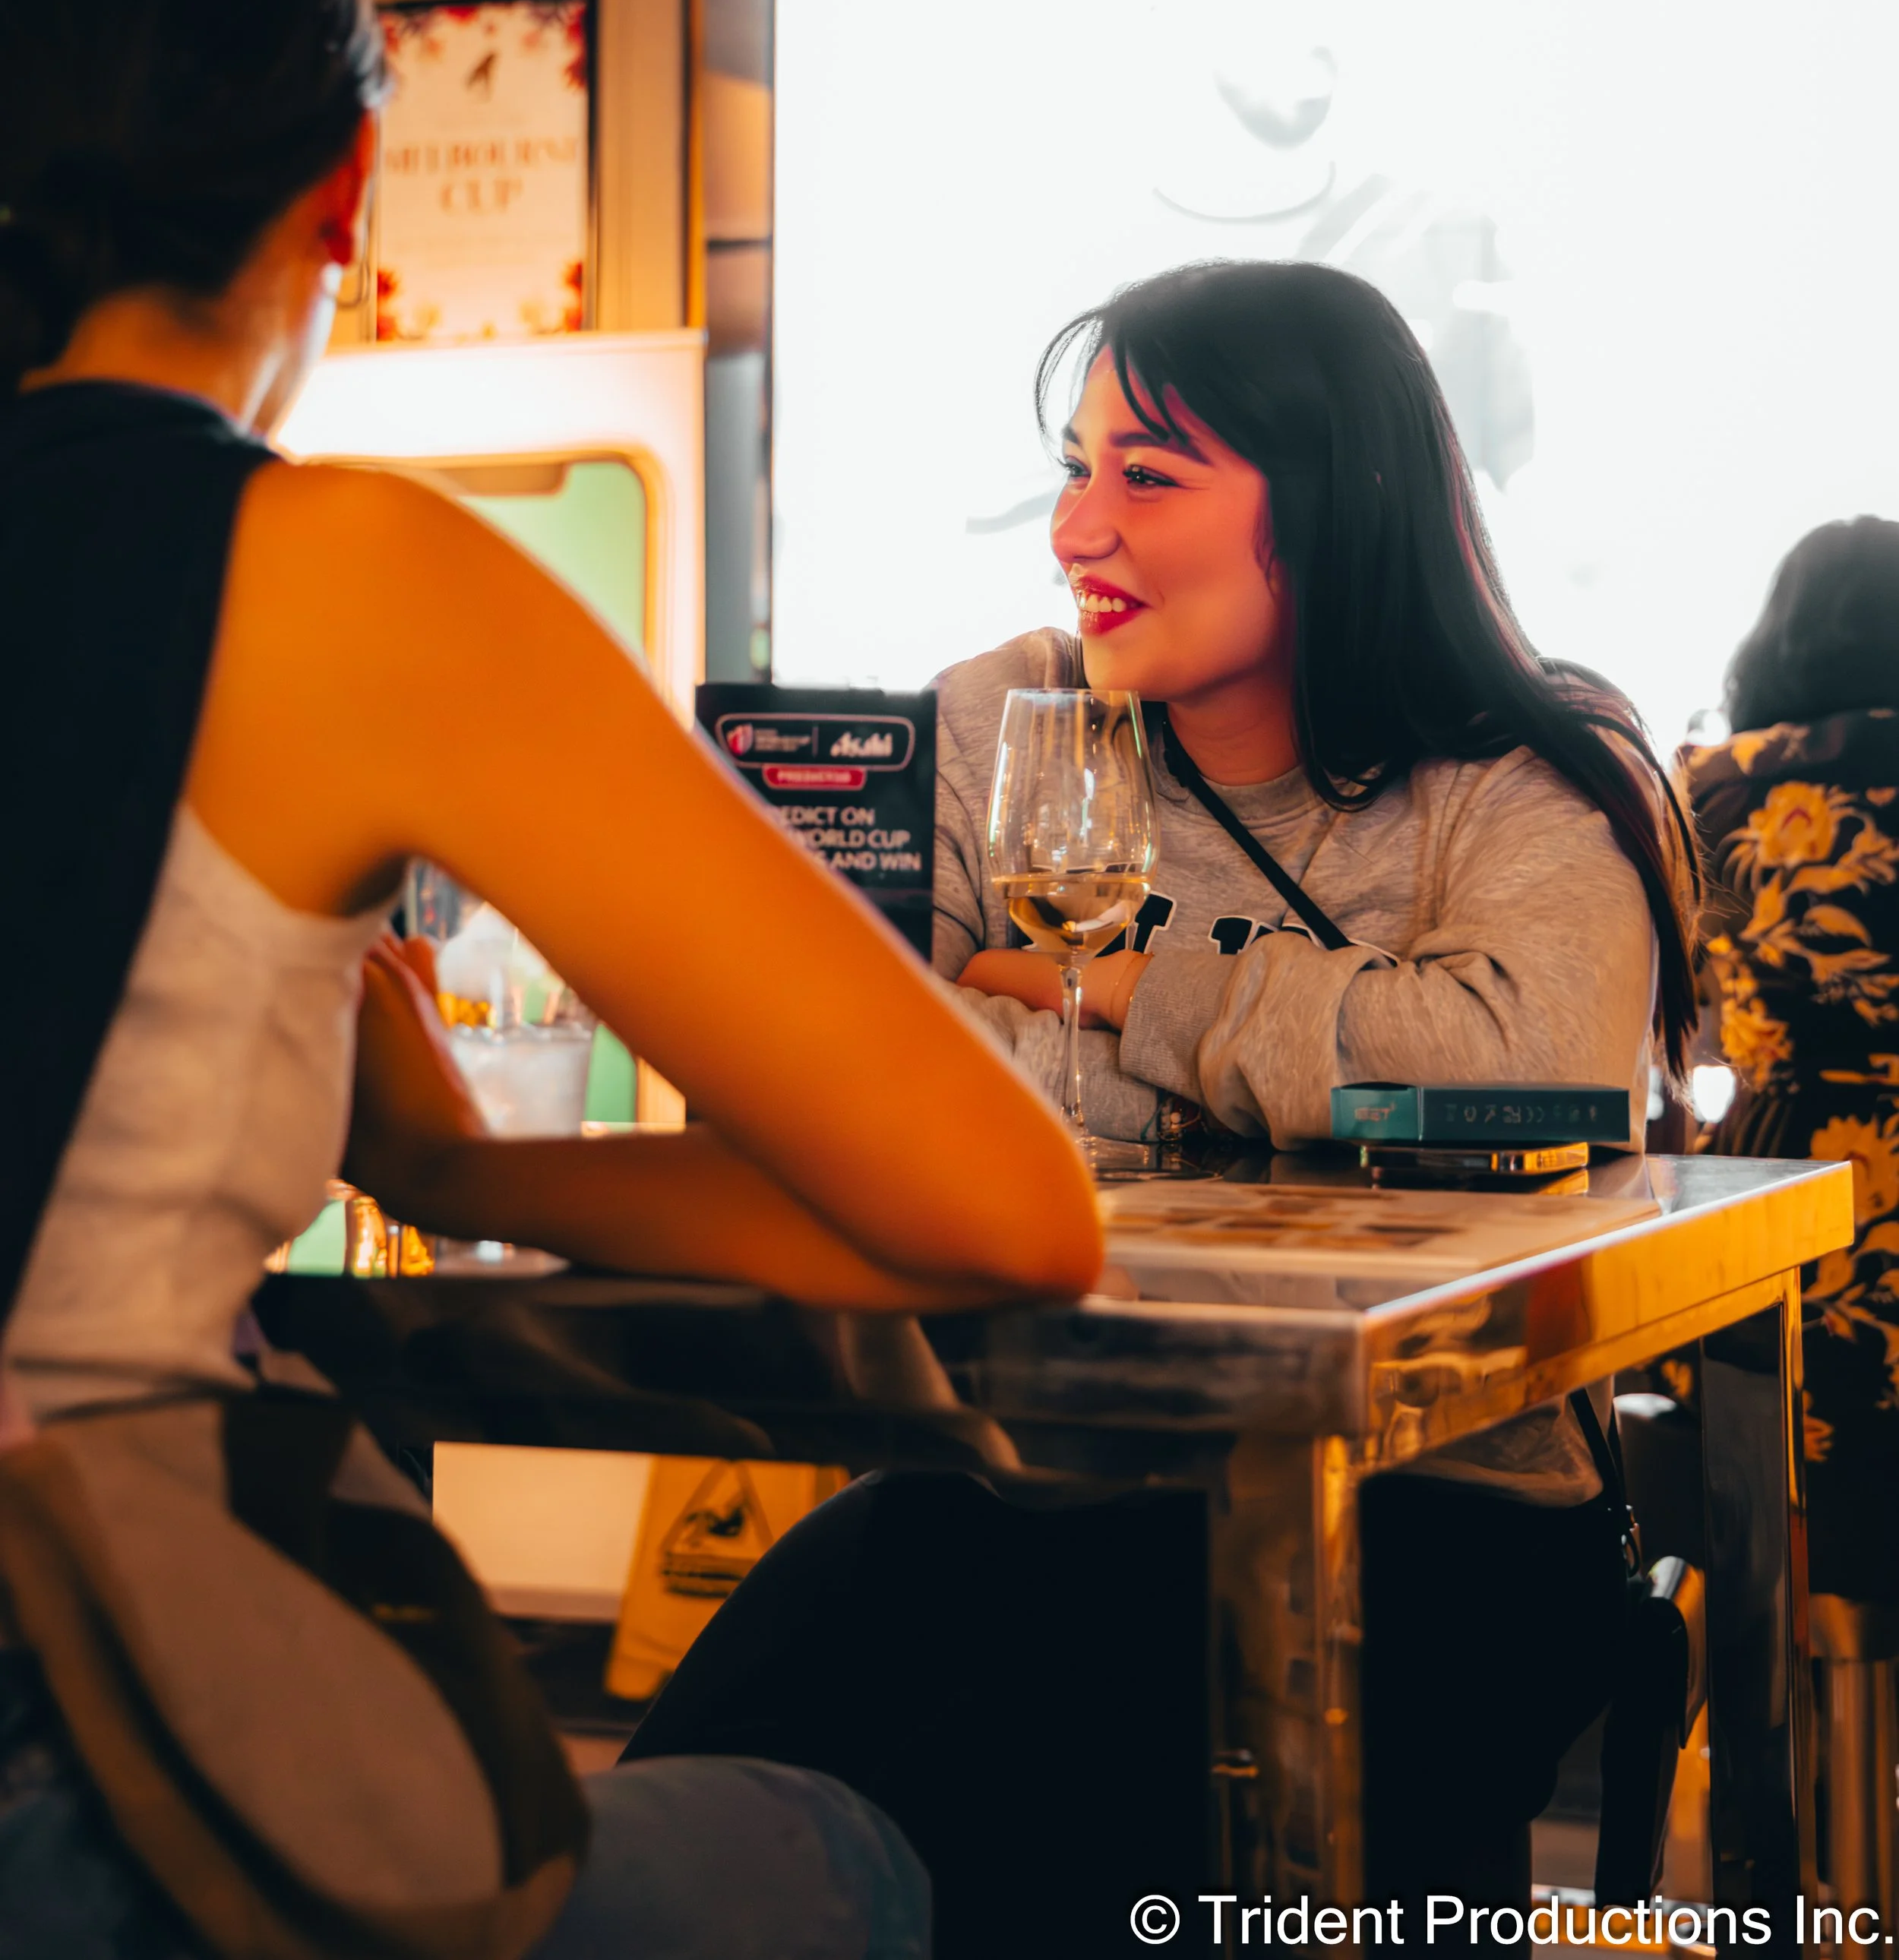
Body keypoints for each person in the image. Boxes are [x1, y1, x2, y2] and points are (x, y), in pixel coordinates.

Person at [0, 0, 1100, 1960]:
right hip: (78, 1751)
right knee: (843, 1849)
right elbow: (1007, 1210)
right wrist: (477, 1165)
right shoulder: (336, 574)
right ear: (345, 194)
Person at [627, 258, 1701, 1943]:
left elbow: (1522, 1066)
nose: (1074, 528)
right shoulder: (1014, 718)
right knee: (754, 1724)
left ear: (1336, 495)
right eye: (1073, 466)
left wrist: (1106, 991)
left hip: (1438, 1497)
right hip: (1044, 1464)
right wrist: (1324, 1062)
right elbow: (849, 1066)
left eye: (1147, 473)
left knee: (1081, 1768)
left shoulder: (1525, 763)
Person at [1679, 517, 1899, 1600]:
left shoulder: (1711, 797)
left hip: (1778, 1200)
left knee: (1787, 1536)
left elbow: (1690, 1030)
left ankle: (1800, 1750)